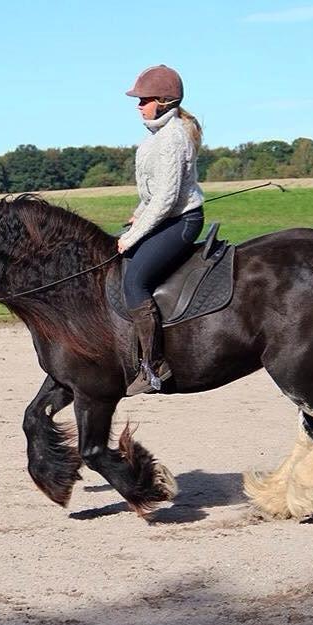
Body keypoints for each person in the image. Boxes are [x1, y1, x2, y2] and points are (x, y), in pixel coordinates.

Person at [118, 64, 205, 395]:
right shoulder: (156, 136)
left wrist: (132, 237)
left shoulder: (171, 138)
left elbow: (167, 200)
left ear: (165, 102)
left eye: (144, 99)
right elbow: (153, 196)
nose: (138, 105)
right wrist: (138, 214)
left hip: (181, 221)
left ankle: (155, 366)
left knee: (135, 282)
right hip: (165, 216)